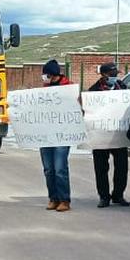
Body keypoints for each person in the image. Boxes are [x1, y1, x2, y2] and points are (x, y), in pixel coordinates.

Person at [88, 62, 130, 208]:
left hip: (119, 134)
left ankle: (118, 195)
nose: (115, 77)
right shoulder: (93, 91)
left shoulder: (123, 88)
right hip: (100, 134)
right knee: (101, 168)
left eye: (116, 74)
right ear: (104, 75)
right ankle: (104, 197)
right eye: (112, 74)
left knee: (122, 167)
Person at [40, 59, 73, 212]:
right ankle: (53, 198)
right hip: (46, 133)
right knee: (48, 168)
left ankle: (64, 200)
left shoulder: (69, 88)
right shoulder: (44, 89)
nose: (44, 78)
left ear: (53, 75)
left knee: (60, 168)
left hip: (62, 133)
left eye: (46, 75)